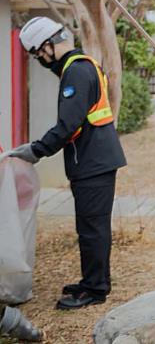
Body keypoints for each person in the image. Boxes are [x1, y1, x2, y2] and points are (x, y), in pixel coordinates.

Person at [8, 17, 126, 310]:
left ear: (48, 46)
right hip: (94, 160)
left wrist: (36, 150)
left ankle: (95, 289)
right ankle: (93, 281)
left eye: (38, 55)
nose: (40, 61)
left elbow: (69, 124)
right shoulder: (83, 66)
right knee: (91, 226)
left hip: (93, 163)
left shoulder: (76, 72)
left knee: (92, 228)